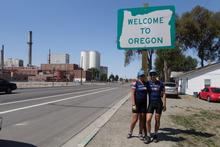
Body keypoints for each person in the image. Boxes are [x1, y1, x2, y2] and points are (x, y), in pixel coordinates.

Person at [127, 70, 150, 143]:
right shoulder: (135, 83)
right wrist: (133, 104)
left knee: (142, 120)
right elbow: (132, 94)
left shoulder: (146, 83)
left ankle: (140, 133)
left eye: (143, 75)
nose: (142, 77)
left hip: (143, 105)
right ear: (139, 76)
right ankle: (130, 132)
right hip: (136, 105)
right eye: (141, 76)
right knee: (135, 119)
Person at [145, 70, 166, 143]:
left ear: (156, 75)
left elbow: (164, 94)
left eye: (154, 74)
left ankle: (155, 135)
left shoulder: (160, 83)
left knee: (157, 120)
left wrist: (165, 104)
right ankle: (148, 135)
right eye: (151, 74)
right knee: (148, 120)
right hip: (151, 104)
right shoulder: (147, 83)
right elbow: (140, 85)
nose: (152, 76)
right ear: (150, 76)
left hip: (159, 104)